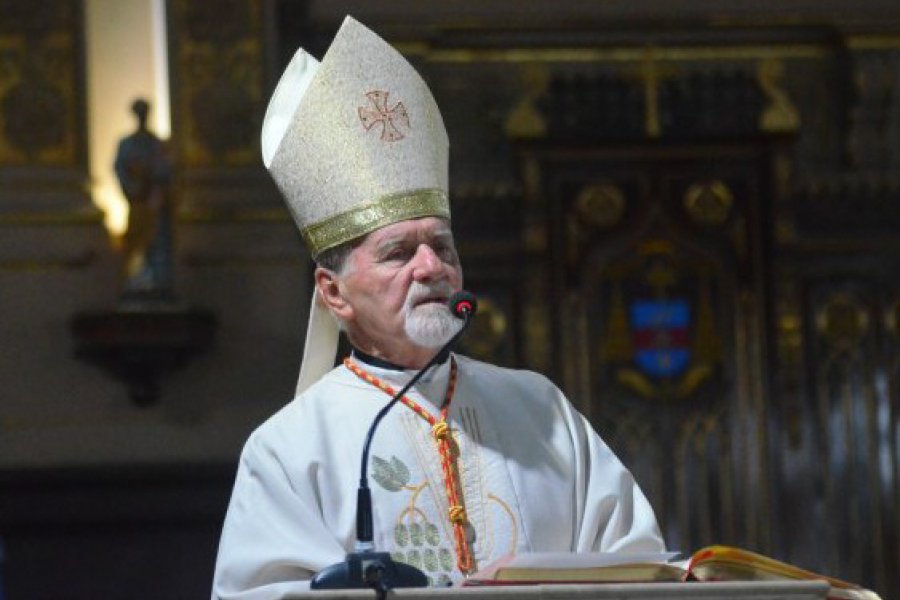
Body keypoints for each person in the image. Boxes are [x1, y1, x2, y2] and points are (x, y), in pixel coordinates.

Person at [212, 16, 664, 598]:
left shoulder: (540, 409)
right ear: (333, 292)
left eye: (442, 246)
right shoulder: (291, 449)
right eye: (399, 253)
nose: (431, 267)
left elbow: (640, 567)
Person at [113, 98, 175, 302]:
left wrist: (152, 181)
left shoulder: (157, 144)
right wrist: (134, 189)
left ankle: (157, 283)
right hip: (138, 203)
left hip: (153, 203)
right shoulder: (126, 143)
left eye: (144, 112)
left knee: (156, 243)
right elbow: (120, 169)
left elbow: (165, 171)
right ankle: (138, 282)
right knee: (136, 243)